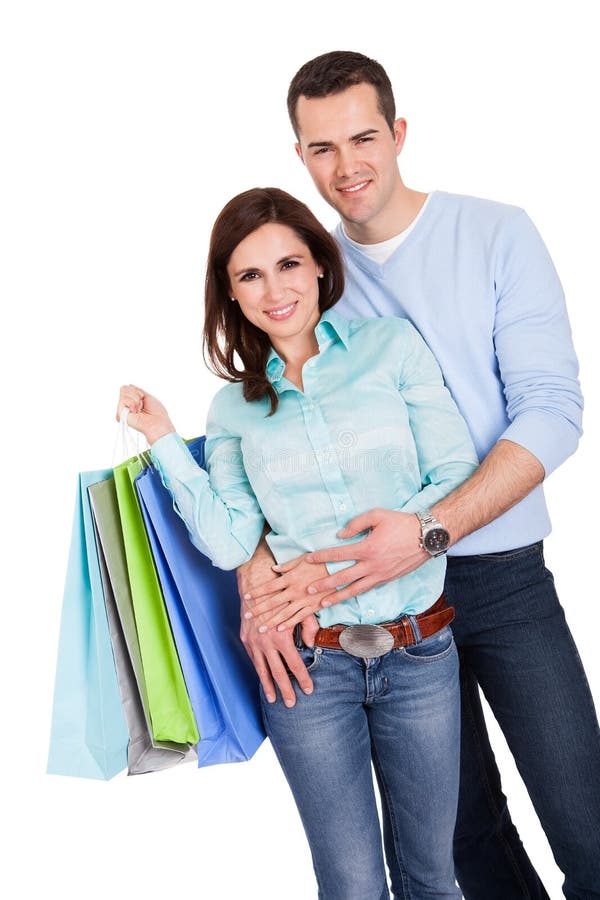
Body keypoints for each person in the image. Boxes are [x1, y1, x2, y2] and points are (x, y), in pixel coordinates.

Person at [237, 52, 600, 899]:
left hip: (502, 579)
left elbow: (552, 410)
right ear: (300, 157)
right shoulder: (305, 272)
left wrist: (430, 530)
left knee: (585, 819)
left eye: (363, 137)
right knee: (464, 840)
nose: (346, 165)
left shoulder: (496, 232)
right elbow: (259, 439)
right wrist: (260, 576)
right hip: (377, 604)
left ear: (398, 134)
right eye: (321, 148)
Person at [118, 186, 479, 899]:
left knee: (433, 879)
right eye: (249, 275)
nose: (275, 289)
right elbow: (229, 541)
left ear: (319, 264)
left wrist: (355, 558)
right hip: (308, 671)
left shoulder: (391, 348)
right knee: (350, 886)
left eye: (288, 264)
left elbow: (455, 474)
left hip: (421, 652)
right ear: (229, 292)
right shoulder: (234, 408)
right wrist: (163, 439)